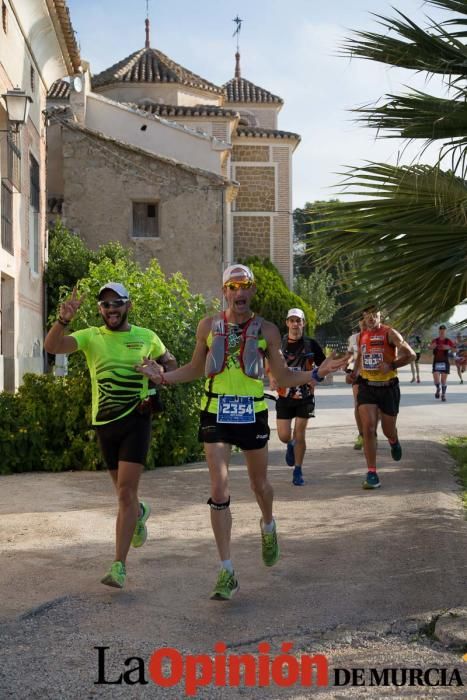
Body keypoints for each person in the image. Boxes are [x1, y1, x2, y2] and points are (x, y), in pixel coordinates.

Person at [136, 264, 349, 601]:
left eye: (246, 285)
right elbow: (194, 368)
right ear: (225, 291)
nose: (240, 291)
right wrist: (160, 377)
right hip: (216, 411)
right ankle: (226, 571)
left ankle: (268, 525)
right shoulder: (208, 326)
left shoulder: (268, 330)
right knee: (219, 487)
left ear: (252, 291)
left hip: (252, 412)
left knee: (259, 485)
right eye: (233, 286)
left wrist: (315, 374)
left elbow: (281, 375)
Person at [44, 283, 177, 590]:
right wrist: (63, 320)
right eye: (105, 305)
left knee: (124, 494)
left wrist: (159, 370)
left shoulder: (146, 336)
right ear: (100, 310)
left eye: (116, 302)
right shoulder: (92, 336)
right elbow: (52, 347)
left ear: (127, 305)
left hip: (137, 420)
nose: (111, 309)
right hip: (105, 424)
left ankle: (119, 565)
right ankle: (140, 512)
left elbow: (170, 363)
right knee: (123, 495)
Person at [348, 304, 415, 489]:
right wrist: (354, 373)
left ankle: (393, 440)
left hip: (388, 388)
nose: (371, 317)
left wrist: (392, 365)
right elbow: (361, 357)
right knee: (368, 429)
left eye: (374, 314)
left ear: (380, 315)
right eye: (367, 314)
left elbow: (411, 355)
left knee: (387, 430)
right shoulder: (361, 335)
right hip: (367, 387)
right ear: (363, 317)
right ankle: (372, 473)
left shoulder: (390, 333)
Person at [268, 308, 325, 486]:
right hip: (285, 395)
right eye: (291, 321)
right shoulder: (279, 343)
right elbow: (268, 362)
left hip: (305, 395)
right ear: (287, 323)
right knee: (284, 436)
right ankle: (290, 443)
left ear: (303, 323)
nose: (295, 324)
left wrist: (317, 378)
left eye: (298, 321)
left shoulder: (311, 344)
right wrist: (271, 378)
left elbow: (324, 366)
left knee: (300, 433)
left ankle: (298, 470)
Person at [347, 317, 365, 450]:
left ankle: (372, 434)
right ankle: (362, 435)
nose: (364, 321)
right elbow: (351, 354)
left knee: (376, 409)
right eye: (362, 319)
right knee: (358, 405)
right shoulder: (353, 338)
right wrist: (346, 363)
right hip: (358, 374)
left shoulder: (381, 335)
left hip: (377, 375)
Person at [430, 325, 455, 402]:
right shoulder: (435, 340)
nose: (442, 332)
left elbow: (455, 350)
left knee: (443, 380)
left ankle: (443, 395)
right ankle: (438, 388)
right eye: (441, 331)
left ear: (445, 331)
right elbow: (430, 347)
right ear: (439, 331)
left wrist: (449, 348)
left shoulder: (448, 341)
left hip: (445, 362)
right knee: (436, 379)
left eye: (443, 331)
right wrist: (432, 347)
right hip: (436, 361)